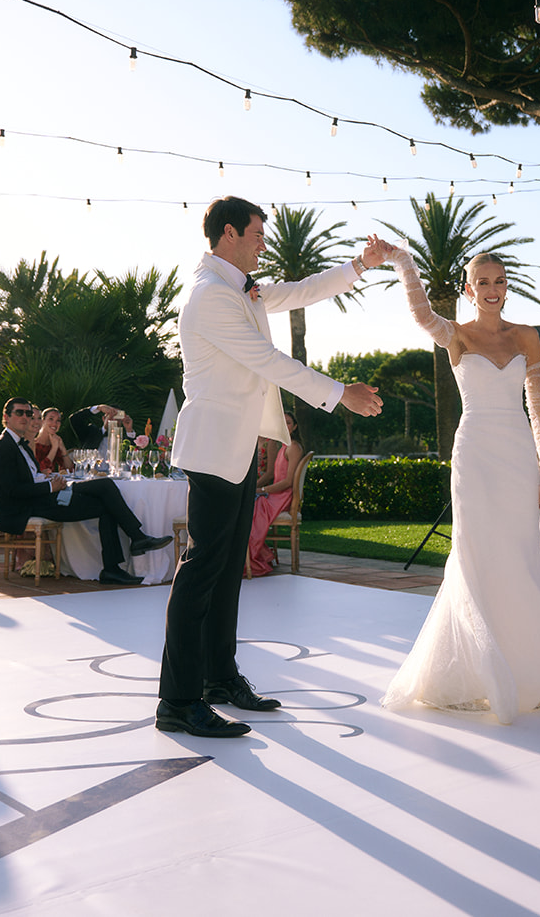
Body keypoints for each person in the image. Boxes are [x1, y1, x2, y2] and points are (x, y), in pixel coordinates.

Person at [156, 196, 384, 739]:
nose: (263, 243)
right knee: (202, 572)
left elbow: (302, 291)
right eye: (257, 234)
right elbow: (269, 361)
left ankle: (219, 679)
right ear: (229, 233)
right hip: (213, 451)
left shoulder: (241, 288)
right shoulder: (211, 295)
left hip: (237, 452)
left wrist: (360, 265)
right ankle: (178, 701)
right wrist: (339, 393)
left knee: (226, 573)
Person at [377, 247, 540, 724]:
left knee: (520, 555)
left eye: (499, 281)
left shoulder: (526, 337)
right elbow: (421, 313)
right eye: (482, 282)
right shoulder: (456, 335)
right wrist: (402, 261)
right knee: (475, 555)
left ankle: (528, 671)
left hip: (517, 457)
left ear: (508, 287)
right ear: (469, 289)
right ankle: (470, 676)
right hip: (475, 455)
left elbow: (538, 406)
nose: (492, 290)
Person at [0, 397, 171, 585]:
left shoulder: (19, 444)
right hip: (28, 506)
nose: (25, 417)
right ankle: (127, 551)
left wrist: (48, 479)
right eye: (19, 413)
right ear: (6, 417)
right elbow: (12, 491)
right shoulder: (2, 446)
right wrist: (50, 486)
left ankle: (122, 558)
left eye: (28, 413)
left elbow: (30, 477)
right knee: (106, 496)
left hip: (43, 495)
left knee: (105, 488)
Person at [246, 410, 304, 576]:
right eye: (282, 422)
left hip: (283, 497)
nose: (285, 426)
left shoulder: (293, 447)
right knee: (247, 507)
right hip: (276, 495)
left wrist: (262, 490)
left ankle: (253, 560)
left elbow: (288, 482)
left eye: (288, 423)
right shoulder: (285, 446)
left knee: (249, 509)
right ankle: (257, 555)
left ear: (294, 427)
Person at [34, 408, 72, 473]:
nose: (55, 423)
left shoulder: (55, 443)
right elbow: (39, 471)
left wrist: (63, 449)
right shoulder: (32, 445)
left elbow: (70, 470)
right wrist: (54, 448)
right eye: (51, 419)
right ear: (42, 421)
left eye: (58, 420)